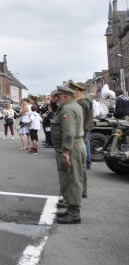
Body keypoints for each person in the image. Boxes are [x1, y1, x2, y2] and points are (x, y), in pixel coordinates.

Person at [51, 85, 86, 224]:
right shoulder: (72, 105)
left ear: (66, 97)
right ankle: (71, 208)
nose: (57, 99)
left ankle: (74, 213)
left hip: (72, 148)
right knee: (71, 179)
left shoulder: (67, 109)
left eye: (58, 97)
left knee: (73, 180)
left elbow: (68, 132)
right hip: (75, 146)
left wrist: (66, 152)